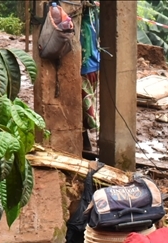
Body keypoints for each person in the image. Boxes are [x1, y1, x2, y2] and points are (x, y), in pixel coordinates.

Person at [79, 1, 99, 151]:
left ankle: (86, 140)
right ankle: (85, 140)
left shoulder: (92, 15)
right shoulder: (87, 17)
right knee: (85, 103)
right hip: (88, 65)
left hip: (90, 64)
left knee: (87, 103)